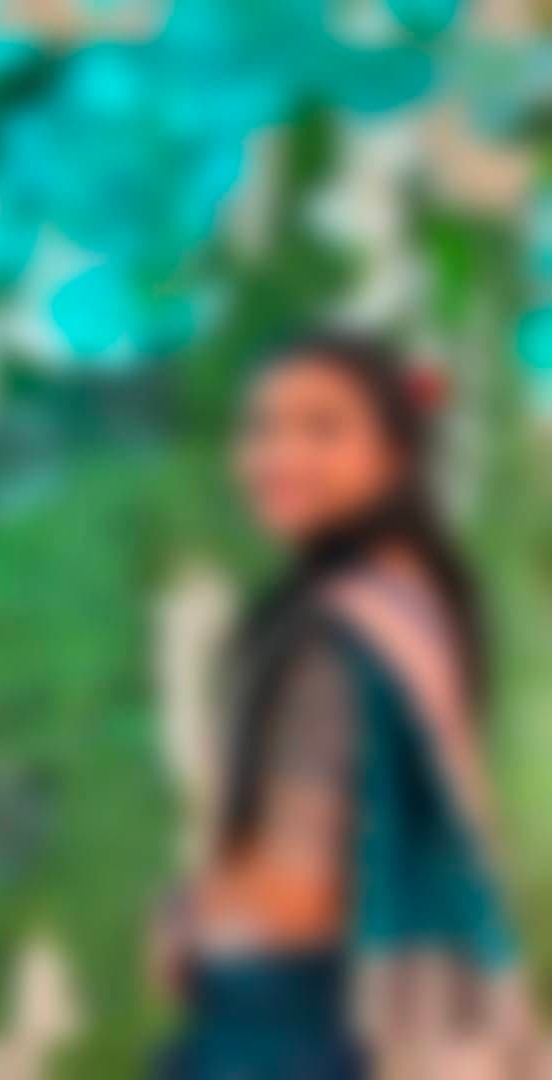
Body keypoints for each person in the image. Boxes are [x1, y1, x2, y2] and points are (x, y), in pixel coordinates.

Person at [151, 334, 541, 1079]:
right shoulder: (416, 601)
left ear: (395, 454)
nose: (278, 454)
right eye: (262, 428)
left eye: (322, 428)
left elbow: (302, 883)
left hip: (297, 1023)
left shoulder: (335, 635)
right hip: (371, 1013)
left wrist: (187, 917)